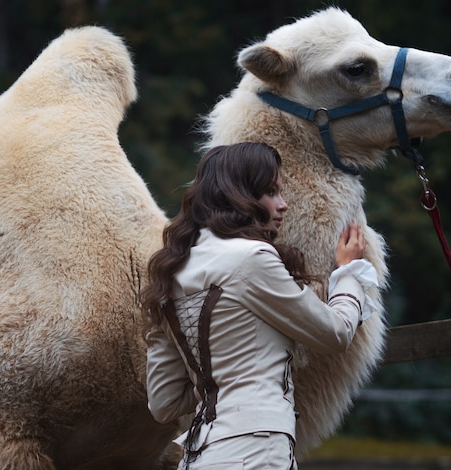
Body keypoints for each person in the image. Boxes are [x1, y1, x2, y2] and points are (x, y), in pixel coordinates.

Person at [143, 142, 378, 469]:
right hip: (257, 451)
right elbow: (334, 334)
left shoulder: (173, 273)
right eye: (271, 192)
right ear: (240, 195)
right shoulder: (252, 258)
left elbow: (163, 403)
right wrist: (349, 273)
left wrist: (220, 385)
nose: (283, 205)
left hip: (202, 456)